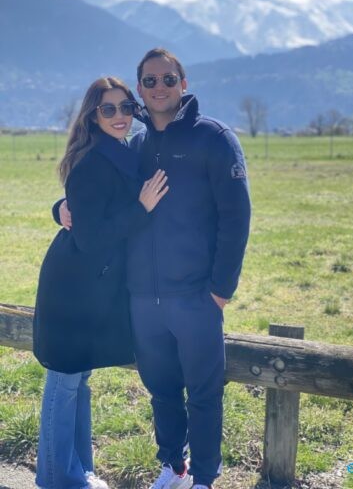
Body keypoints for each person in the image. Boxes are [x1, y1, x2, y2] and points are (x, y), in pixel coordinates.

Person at [59, 49, 251, 489]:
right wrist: (61, 207)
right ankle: (173, 467)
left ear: (183, 83)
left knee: (203, 394)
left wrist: (220, 290)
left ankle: (204, 478)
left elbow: (236, 217)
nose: (159, 87)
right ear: (140, 89)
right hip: (144, 298)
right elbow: (98, 195)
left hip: (197, 297)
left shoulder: (214, 139)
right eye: (149, 81)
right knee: (162, 391)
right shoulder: (135, 147)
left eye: (168, 79)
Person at [33, 76, 168, 489]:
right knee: (65, 378)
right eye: (108, 109)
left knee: (78, 379)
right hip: (74, 287)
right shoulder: (94, 161)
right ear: (93, 116)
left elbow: (89, 211)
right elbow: (91, 239)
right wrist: (141, 208)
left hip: (92, 287)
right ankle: (59, 477)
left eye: (126, 107)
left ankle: (78, 472)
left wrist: (61, 206)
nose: (119, 116)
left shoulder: (123, 153)